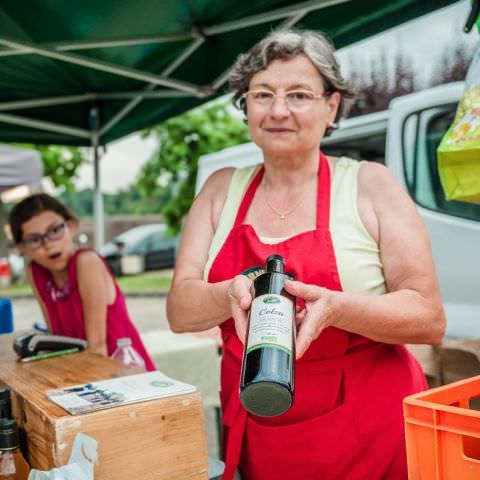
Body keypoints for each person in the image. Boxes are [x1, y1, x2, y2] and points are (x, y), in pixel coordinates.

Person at [167, 29, 445, 480]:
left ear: (330, 105)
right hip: (264, 419)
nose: (279, 110)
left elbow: (429, 317)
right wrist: (227, 295)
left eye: (298, 94)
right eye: (263, 94)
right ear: (246, 106)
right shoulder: (221, 190)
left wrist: (336, 308)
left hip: (372, 427)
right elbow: (180, 310)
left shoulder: (371, 185)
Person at [8, 193, 155, 371]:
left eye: (55, 231)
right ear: (22, 248)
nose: (48, 244)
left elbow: (98, 347)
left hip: (122, 373)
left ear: (71, 226)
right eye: (34, 239)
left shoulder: (87, 262)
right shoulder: (36, 273)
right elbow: (57, 339)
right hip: (79, 373)